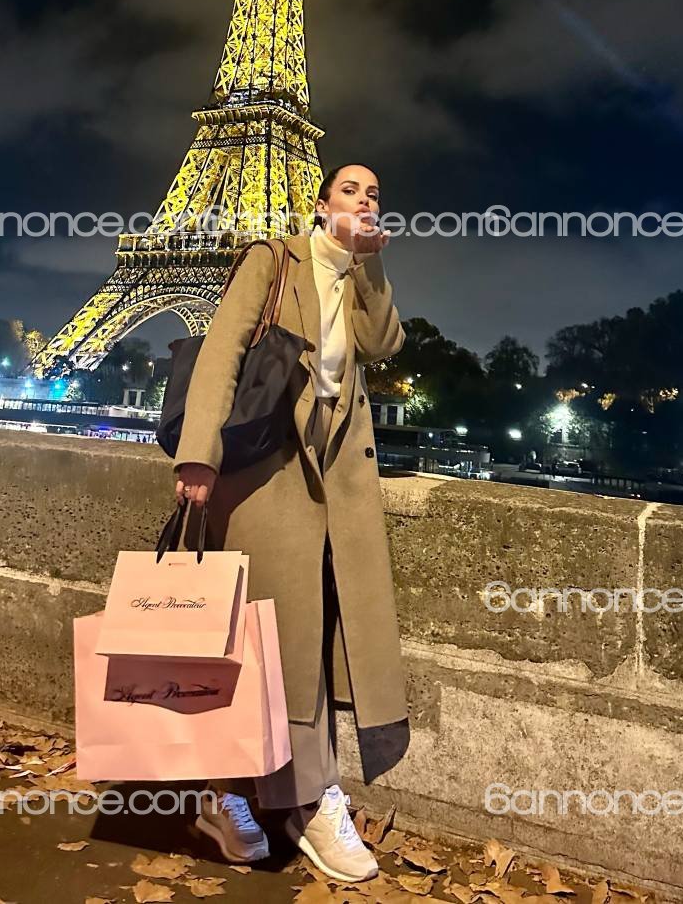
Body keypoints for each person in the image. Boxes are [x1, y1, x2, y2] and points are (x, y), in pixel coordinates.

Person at [171, 163, 409, 883]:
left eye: (374, 192)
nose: (363, 199)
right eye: (350, 190)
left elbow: (383, 344)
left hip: (337, 482)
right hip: (269, 478)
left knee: (300, 646)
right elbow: (222, 351)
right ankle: (309, 801)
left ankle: (228, 793)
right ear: (319, 201)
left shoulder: (356, 276)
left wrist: (370, 265)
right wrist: (198, 454)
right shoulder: (272, 259)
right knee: (276, 647)